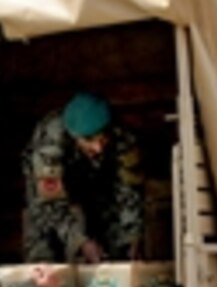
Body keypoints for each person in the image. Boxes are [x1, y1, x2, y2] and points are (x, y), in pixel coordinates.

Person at [22, 92, 145, 264]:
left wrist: (133, 235)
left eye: (103, 139)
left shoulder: (121, 137)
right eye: (89, 140)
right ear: (74, 136)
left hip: (98, 189)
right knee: (43, 252)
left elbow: (130, 189)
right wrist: (80, 241)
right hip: (50, 199)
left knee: (117, 246)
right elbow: (50, 205)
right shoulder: (49, 144)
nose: (98, 148)